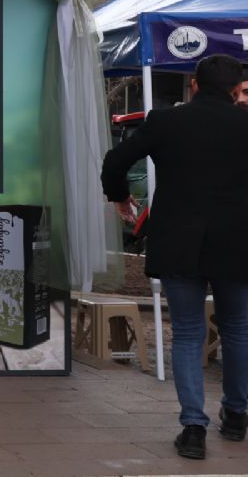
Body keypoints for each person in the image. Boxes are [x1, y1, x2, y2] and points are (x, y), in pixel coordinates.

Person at [101, 55, 248, 461]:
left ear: (195, 84)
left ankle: (193, 428)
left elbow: (115, 161)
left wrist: (120, 196)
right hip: (238, 242)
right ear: (237, 90)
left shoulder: (166, 122)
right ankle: (237, 415)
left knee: (186, 333)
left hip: (179, 242)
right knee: (238, 330)